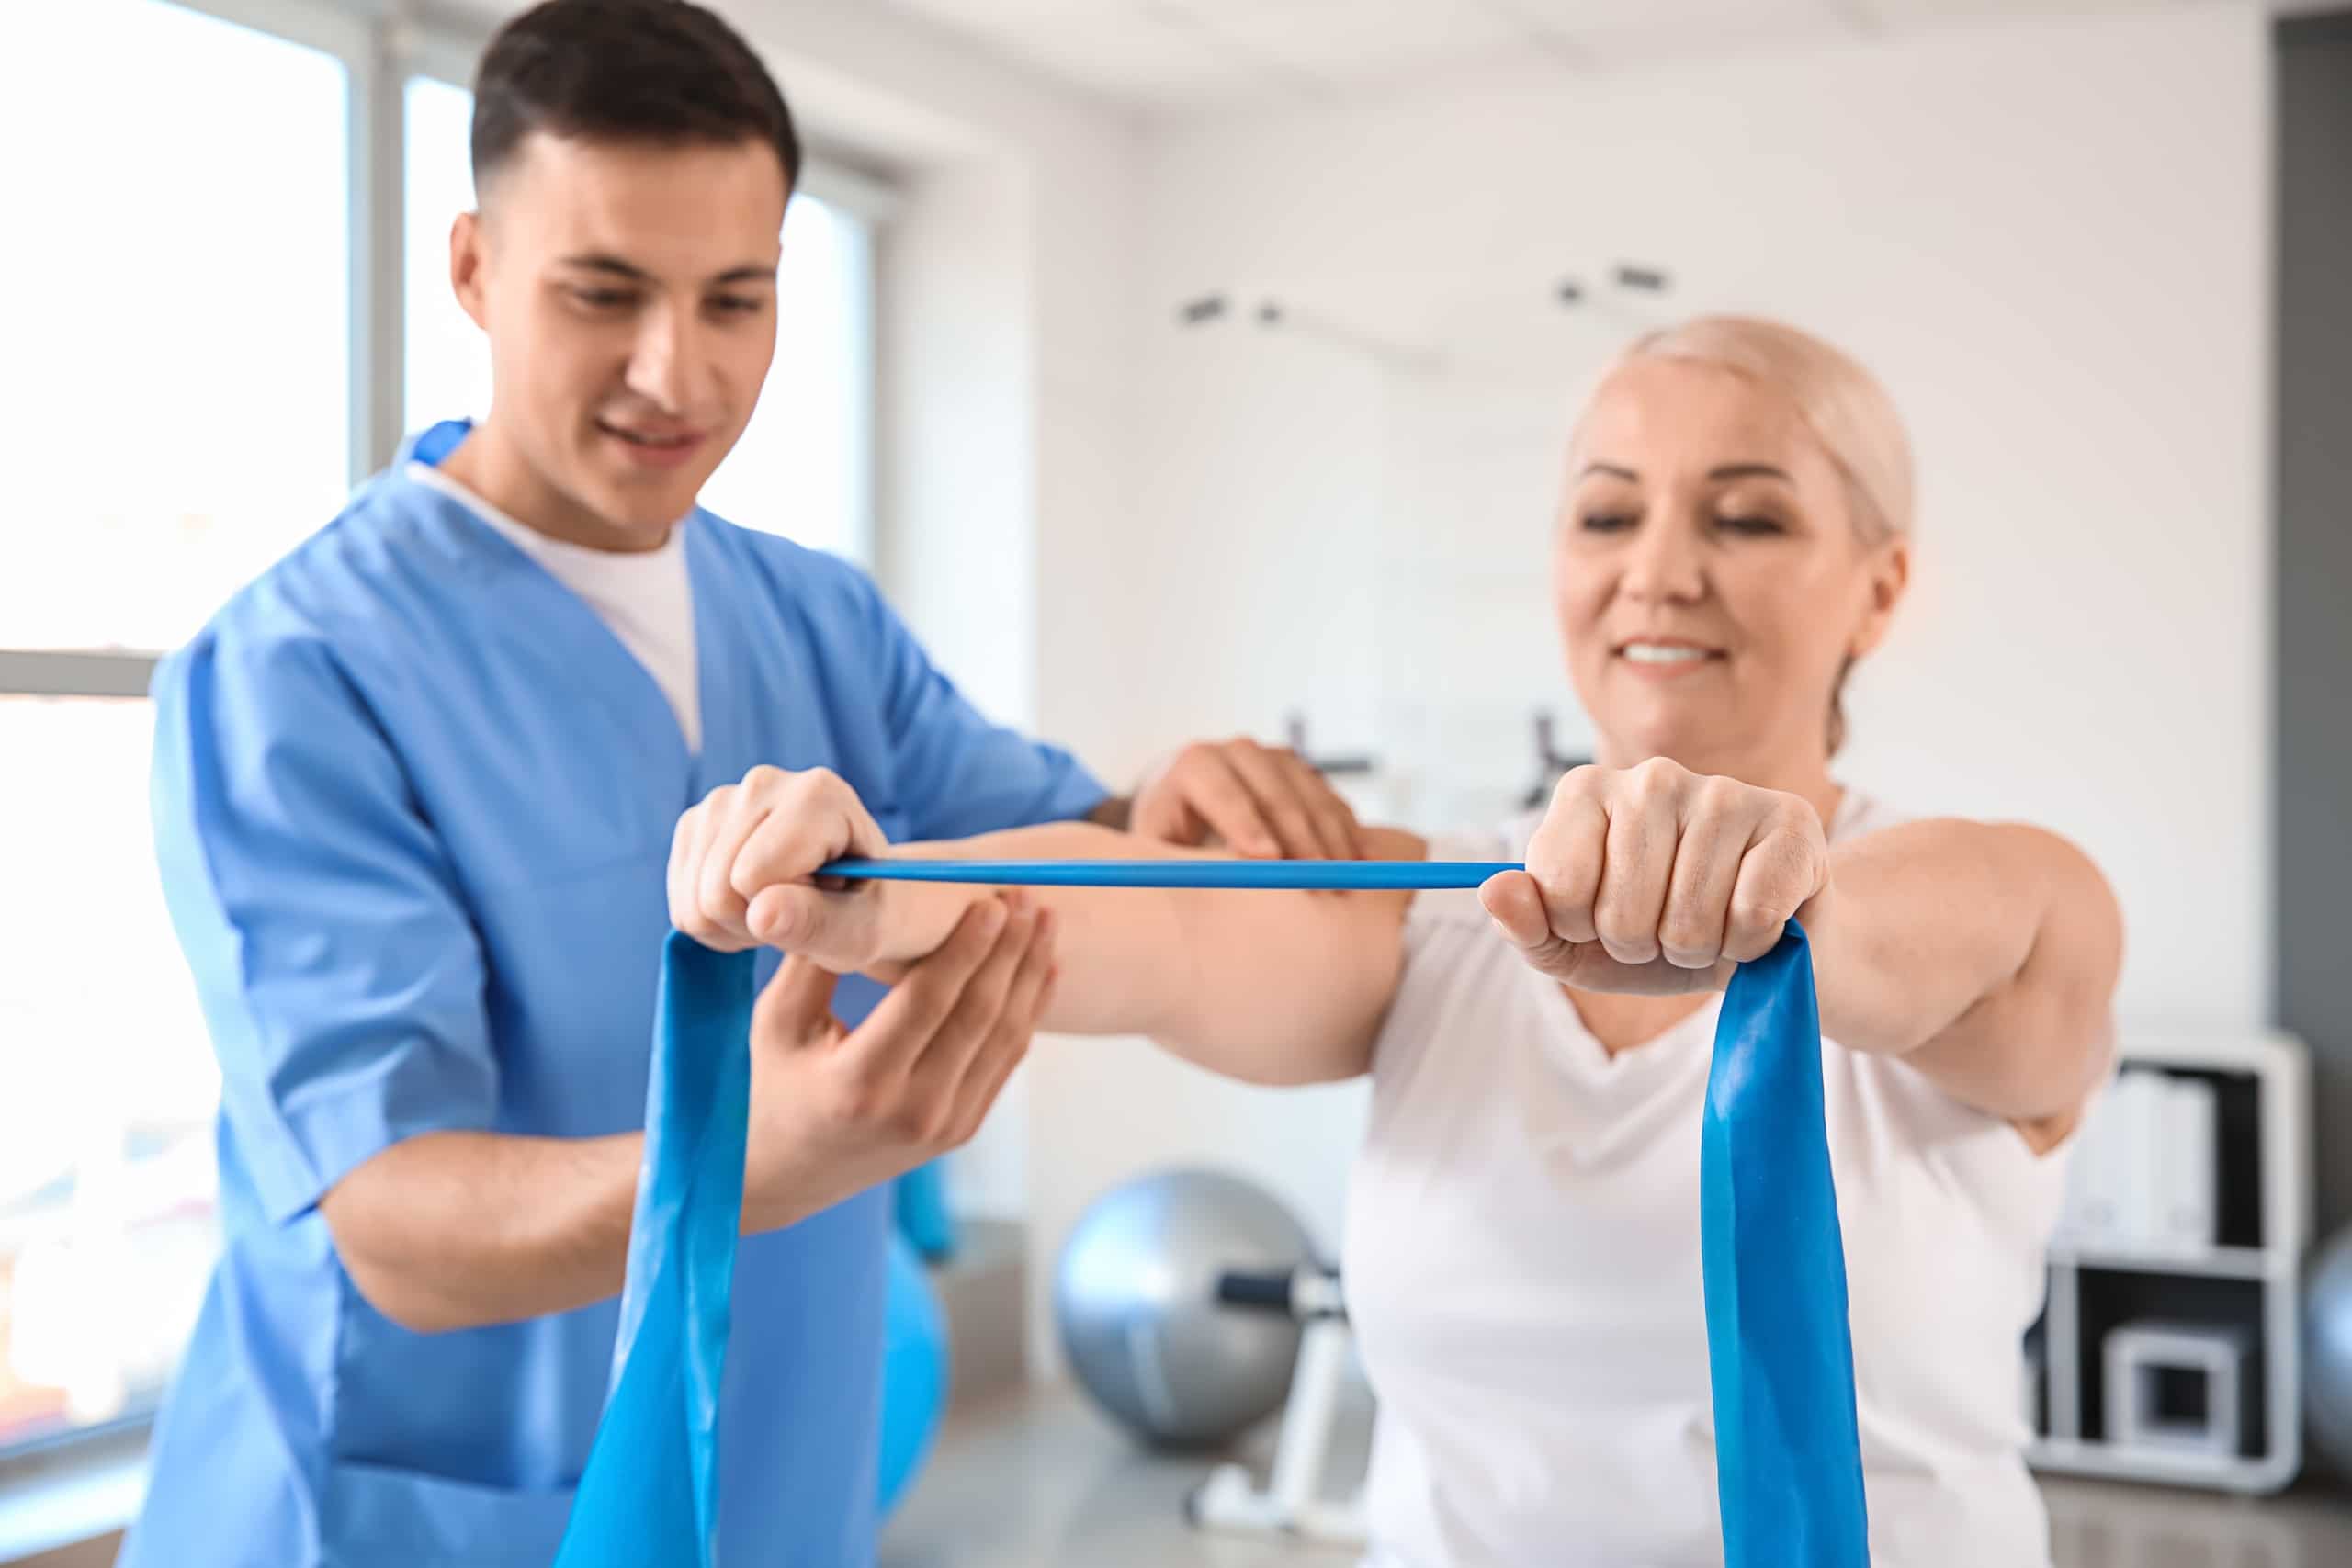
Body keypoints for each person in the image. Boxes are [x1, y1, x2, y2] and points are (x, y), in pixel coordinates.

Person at [126, 4, 1367, 1565]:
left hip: (772, 1485)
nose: (677, 369)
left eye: (738, 298)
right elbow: (395, 1229)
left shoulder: (814, 618)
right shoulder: (295, 672)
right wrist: (749, 1168)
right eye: (605, 293)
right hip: (418, 1519)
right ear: (471, 269)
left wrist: (1179, 795)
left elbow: (1088, 839)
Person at [669, 315, 2126, 1568]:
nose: (1660, 572)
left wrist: (1775, 896)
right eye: (1608, 515)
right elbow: (1144, 926)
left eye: (1746, 517)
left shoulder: (1999, 904)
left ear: (1881, 585)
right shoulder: (1438, 910)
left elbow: (1957, 931)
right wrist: (877, 886)